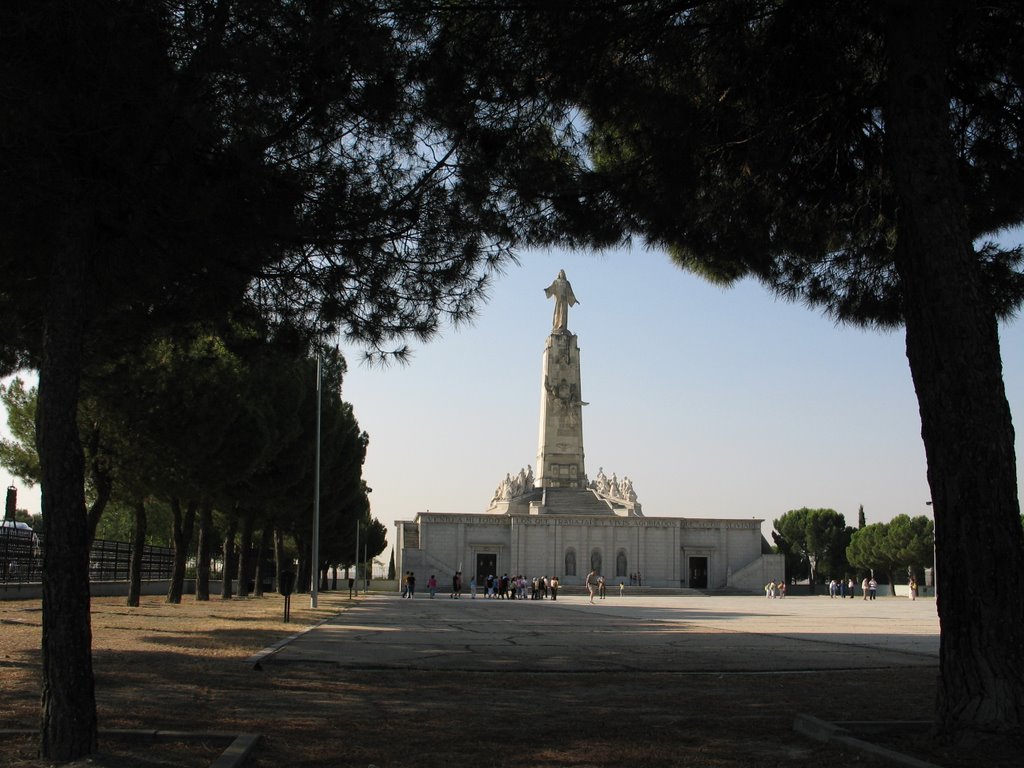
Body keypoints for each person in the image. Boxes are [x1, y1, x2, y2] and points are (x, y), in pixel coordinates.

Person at [544, 269, 579, 333]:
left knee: (563, 313)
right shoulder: (556, 282)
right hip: (558, 300)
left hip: (564, 300)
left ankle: (562, 326)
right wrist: (547, 290)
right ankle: (556, 326)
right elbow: (551, 288)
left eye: (563, 273)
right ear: (559, 274)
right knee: (557, 313)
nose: (562, 274)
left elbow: (570, 293)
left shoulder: (567, 283)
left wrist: (574, 300)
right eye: (561, 273)